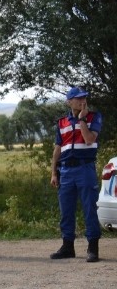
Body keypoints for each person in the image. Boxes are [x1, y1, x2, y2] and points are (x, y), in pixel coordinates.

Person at [50, 86, 102, 262]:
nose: (82, 101)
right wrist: (53, 172)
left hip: (85, 169)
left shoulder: (94, 117)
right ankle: (67, 247)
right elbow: (58, 148)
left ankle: (92, 248)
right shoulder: (62, 122)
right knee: (66, 210)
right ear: (69, 101)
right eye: (78, 98)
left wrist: (81, 120)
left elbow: (89, 139)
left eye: (84, 98)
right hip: (65, 170)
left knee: (89, 208)